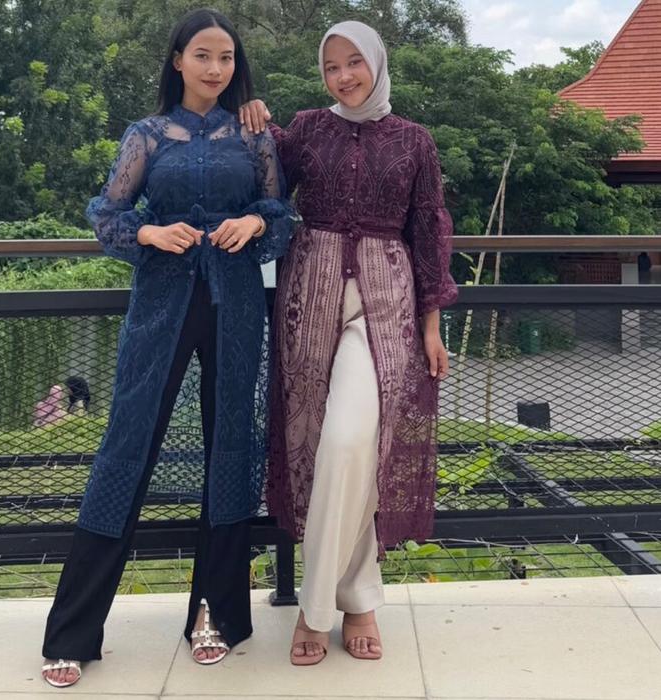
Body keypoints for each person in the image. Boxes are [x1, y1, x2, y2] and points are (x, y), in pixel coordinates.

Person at [41, 8, 293, 687]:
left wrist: (252, 222)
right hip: (161, 306)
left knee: (231, 445)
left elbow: (280, 216)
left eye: (226, 57)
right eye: (203, 55)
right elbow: (108, 214)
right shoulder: (147, 134)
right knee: (127, 445)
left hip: (236, 305)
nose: (216, 68)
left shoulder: (255, 135)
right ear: (178, 60)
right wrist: (150, 234)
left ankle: (214, 613)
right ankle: (73, 632)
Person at [239, 20, 457, 665]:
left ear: (377, 63)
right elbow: (264, 181)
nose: (343, 77)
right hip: (309, 296)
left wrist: (432, 324)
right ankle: (359, 598)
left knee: (352, 440)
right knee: (317, 445)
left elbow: (429, 229)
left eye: (353, 63)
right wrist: (256, 121)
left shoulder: (414, 140)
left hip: (386, 304)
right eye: (331, 67)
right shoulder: (308, 128)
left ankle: (314, 610)